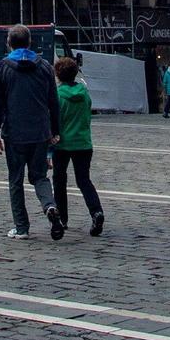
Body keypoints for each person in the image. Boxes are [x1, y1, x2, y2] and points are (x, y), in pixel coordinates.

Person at [0, 25, 64, 240]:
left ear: (9, 43)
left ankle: (21, 227)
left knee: (16, 180)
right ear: (30, 43)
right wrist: (55, 130)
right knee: (40, 176)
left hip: (14, 132)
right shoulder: (46, 67)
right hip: (40, 131)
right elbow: (53, 102)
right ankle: (49, 206)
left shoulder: (2, 67)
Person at [51, 56, 105, 237]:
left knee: (59, 180)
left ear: (58, 75)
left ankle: (62, 218)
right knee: (84, 180)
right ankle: (96, 211)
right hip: (83, 142)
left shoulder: (58, 96)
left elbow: (55, 121)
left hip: (62, 144)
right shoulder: (84, 94)